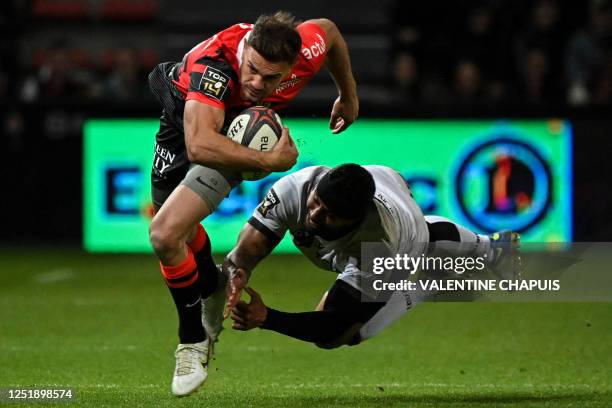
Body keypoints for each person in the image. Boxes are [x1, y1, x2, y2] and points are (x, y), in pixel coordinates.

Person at [146, 11, 358, 396]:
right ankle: (213, 284)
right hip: (187, 126)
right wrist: (269, 162)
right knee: (177, 230)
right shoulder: (215, 67)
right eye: (253, 71)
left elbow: (329, 31)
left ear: (293, 66)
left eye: (272, 78)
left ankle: (192, 340)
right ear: (245, 52)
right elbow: (198, 143)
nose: (258, 84)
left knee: (164, 235)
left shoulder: (305, 49)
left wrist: (348, 94)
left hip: (236, 140)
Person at [222, 164, 520, 348]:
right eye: (315, 203)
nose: (313, 215)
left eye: (328, 214)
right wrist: (237, 275)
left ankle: (428, 285)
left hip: (403, 233)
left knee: (342, 338)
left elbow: (333, 324)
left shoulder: (380, 247)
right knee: (425, 235)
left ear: (353, 219)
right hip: (382, 178)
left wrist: (267, 318)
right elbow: (248, 250)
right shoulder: (295, 189)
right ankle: (491, 247)